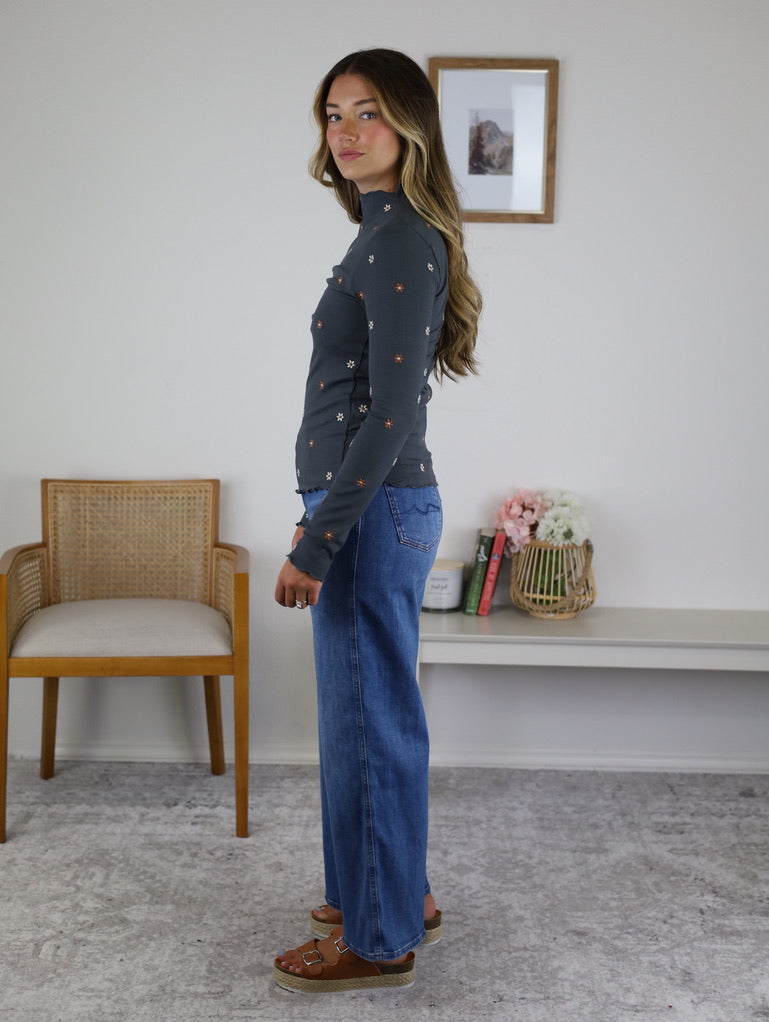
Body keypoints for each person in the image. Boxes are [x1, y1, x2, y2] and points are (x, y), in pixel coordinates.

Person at [273, 47, 482, 993]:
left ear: (408, 126)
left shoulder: (398, 239)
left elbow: (390, 411)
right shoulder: (383, 230)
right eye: (333, 114)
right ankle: (393, 893)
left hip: (370, 510)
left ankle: (380, 937)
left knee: (369, 727)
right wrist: (320, 515)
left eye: (367, 112)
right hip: (364, 505)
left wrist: (322, 537)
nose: (347, 132)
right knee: (368, 719)